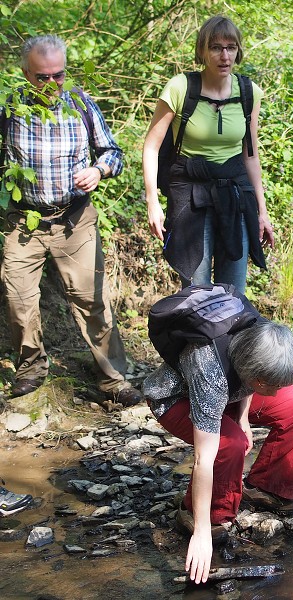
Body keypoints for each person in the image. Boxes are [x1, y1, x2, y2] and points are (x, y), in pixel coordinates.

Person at [0, 35, 142, 406]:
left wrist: (98, 170)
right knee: (18, 298)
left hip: (74, 219)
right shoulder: (10, 106)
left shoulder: (79, 103)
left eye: (58, 76)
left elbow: (113, 152)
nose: (51, 85)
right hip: (24, 222)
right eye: (41, 77)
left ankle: (113, 378)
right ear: (25, 73)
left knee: (90, 300)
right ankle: (30, 368)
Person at [142, 313, 293, 584]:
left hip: (229, 391)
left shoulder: (254, 332)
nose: (275, 393)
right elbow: (204, 458)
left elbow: (246, 380)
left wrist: (242, 417)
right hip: (177, 398)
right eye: (273, 387)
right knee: (230, 442)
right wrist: (201, 532)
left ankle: (267, 487)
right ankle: (197, 513)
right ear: (258, 379)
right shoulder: (208, 368)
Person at [142, 15, 274, 293]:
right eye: (216, 47)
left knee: (233, 293)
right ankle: (198, 339)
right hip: (190, 195)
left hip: (234, 195)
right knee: (196, 292)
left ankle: (231, 338)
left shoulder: (249, 92)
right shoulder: (180, 87)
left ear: (238, 51)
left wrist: (262, 212)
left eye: (231, 47)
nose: (224, 56)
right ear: (202, 50)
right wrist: (152, 201)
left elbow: (250, 155)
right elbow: (152, 147)